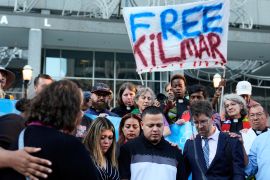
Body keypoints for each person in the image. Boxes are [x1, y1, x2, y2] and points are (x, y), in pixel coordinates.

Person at [4, 80, 99, 179]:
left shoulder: (20, 134)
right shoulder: (70, 146)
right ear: (71, 111)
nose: (81, 113)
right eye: (78, 108)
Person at [118, 106, 185, 180]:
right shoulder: (127, 149)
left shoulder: (175, 152)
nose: (155, 129)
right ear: (142, 125)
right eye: (151, 125)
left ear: (163, 125)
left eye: (159, 125)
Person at [183, 100, 245, 179]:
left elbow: (239, 173)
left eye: (203, 121)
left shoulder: (231, 141)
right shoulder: (190, 144)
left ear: (212, 118)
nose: (199, 126)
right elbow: (183, 174)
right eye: (196, 122)